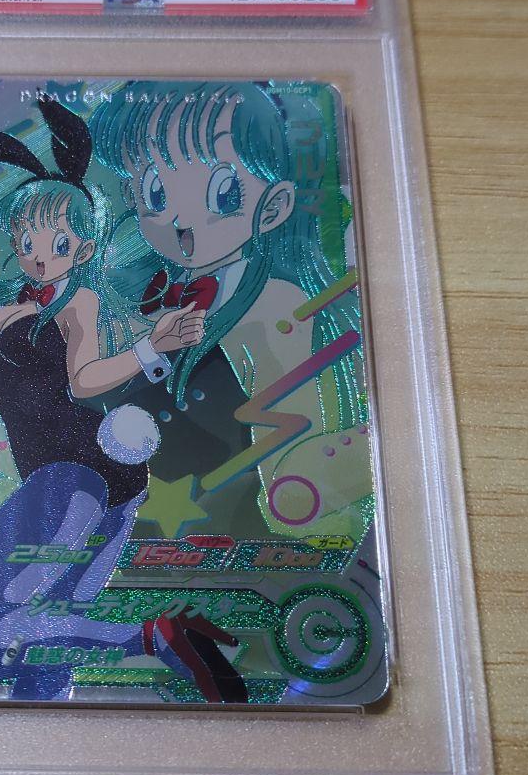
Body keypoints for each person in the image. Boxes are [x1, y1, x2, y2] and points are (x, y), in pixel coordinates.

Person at [0, 97, 248, 702]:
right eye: (27, 238)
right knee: (45, 649)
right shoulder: (13, 303)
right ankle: (131, 667)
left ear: (83, 249)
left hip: (75, 475)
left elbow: (83, 382)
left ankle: (154, 638)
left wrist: (151, 347)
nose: (39, 252)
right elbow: (10, 394)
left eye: (57, 241)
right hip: (95, 480)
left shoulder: (78, 302)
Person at [89, 82, 365, 541]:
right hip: (132, 504)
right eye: (156, 192)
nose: (180, 221)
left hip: (224, 522)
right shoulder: (146, 292)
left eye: (224, 193)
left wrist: (328, 472)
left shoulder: (272, 305)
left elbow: (289, 455)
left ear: (273, 207)